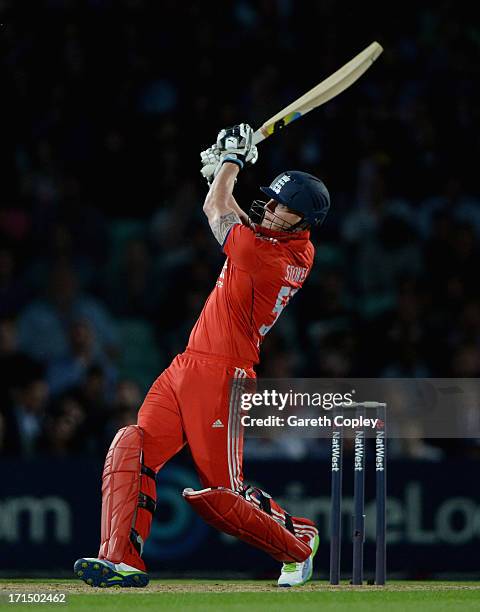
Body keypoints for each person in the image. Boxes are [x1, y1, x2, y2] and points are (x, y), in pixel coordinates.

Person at [74, 124, 330, 588]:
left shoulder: (269, 258)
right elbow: (228, 209)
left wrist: (229, 163)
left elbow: (217, 210)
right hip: (187, 363)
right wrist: (220, 170)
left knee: (222, 494)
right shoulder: (278, 242)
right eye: (270, 200)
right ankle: (122, 560)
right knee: (131, 447)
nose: (270, 209)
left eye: (282, 208)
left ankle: (298, 546)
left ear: (304, 222)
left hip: (224, 376)